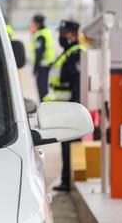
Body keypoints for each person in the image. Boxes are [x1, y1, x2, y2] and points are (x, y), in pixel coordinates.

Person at [43, 20, 85, 192]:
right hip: (64, 108)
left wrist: (75, 109)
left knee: (70, 146)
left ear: (74, 34)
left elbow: (77, 84)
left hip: (71, 108)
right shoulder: (67, 53)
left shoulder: (76, 54)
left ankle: (68, 180)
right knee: (65, 146)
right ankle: (66, 179)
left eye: (65, 33)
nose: (62, 36)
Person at [30, 14, 55, 100]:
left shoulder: (40, 35)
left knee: (42, 90)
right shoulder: (46, 32)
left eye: (34, 23)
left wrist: (35, 68)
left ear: (38, 24)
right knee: (44, 89)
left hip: (42, 66)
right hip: (47, 65)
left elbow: (39, 53)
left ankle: (44, 107)